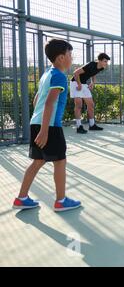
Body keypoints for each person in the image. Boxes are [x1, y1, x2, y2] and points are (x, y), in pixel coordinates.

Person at [13, 39, 82, 212]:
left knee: (38, 161)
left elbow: (37, 99)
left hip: (37, 122)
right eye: (69, 54)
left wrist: (40, 125)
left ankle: (21, 198)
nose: (71, 58)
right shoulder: (59, 75)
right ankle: (61, 201)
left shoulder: (47, 74)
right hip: (49, 126)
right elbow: (50, 103)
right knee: (60, 161)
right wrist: (45, 130)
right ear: (60, 58)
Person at [70, 53, 110, 134]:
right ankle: (79, 127)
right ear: (99, 61)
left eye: (107, 61)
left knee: (91, 104)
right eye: (105, 61)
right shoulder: (91, 65)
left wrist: (92, 83)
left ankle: (92, 125)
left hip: (84, 84)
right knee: (79, 105)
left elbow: (94, 73)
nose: (106, 63)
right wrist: (79, 84)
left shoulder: (101, 67)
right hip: (75, 83)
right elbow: (75, 73)